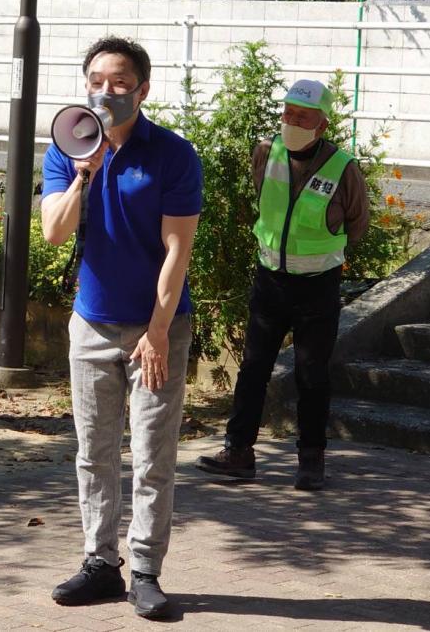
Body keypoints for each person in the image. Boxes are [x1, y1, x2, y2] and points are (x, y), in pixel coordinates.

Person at [42, 36, 202, 620]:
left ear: (143, 89)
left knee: (153, 453)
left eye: (120, 82)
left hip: (158, 326)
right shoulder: (67, 147)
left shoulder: (173, 154)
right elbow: (54, 234)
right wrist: (84, 172)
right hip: (91, 323)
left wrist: (157, 332)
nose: (107, 92)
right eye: (98, 81)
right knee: (94, 451)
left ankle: (146, 571)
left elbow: (176, 250)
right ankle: (99, 562)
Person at [195, 79, 369, 491]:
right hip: (270, 278)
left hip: (318, 285)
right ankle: (238, 451)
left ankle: (311, 461)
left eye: (303, 117)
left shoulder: (343, 167)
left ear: (322, 124)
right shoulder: (265, 153)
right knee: (253, 368)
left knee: (312, 373)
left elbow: (357, 224)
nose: (292, 122)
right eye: (288, 113)